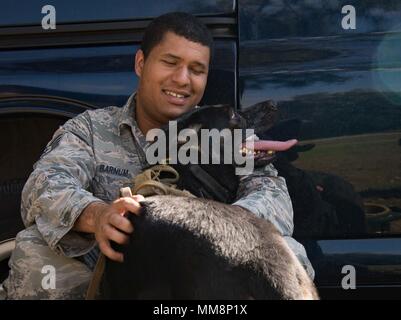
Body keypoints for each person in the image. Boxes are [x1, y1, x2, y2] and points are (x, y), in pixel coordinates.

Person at [2, 12, 314, 299]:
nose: (181, 79)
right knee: (37, 253)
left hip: (206, 265)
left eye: (196, 70)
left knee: (286, 252)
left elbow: (273, 198)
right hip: (120, 263)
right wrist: (99, 216)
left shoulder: (224, 130)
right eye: (170, 62)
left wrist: (210, 229)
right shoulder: (92, 129)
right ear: (141, 63)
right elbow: (44, 187)